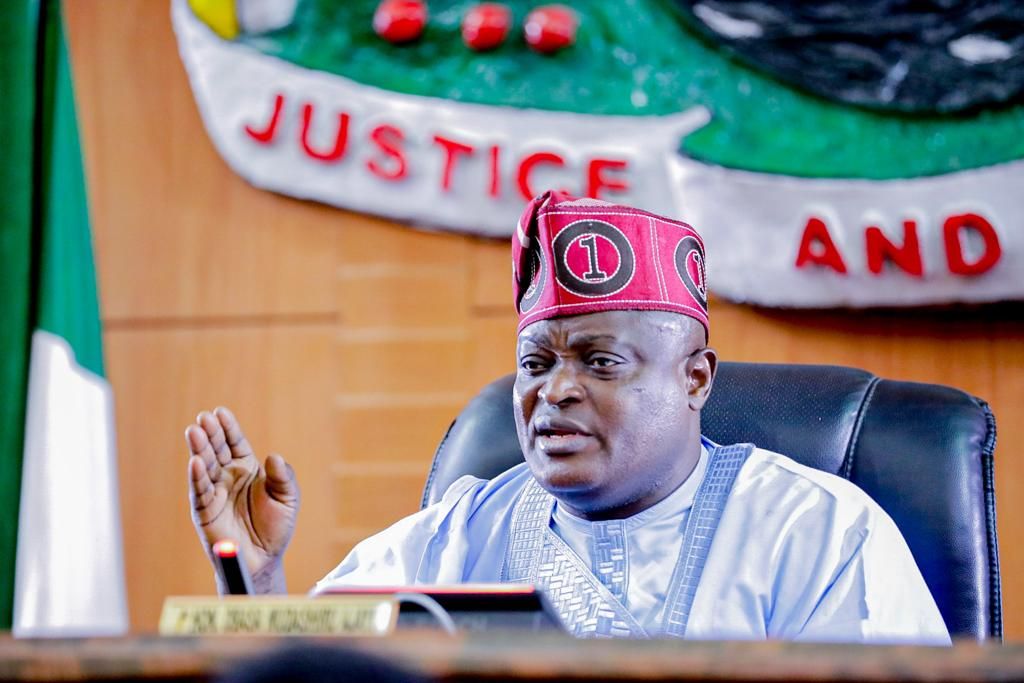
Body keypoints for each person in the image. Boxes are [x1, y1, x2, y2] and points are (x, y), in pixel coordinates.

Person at [185, 191, 950, 643]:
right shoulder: (458, 533)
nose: (553, 391)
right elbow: (305, 670)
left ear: (694, 378)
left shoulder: (820, 532)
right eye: (535, 363)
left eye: (600, 362)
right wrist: (254, 578)